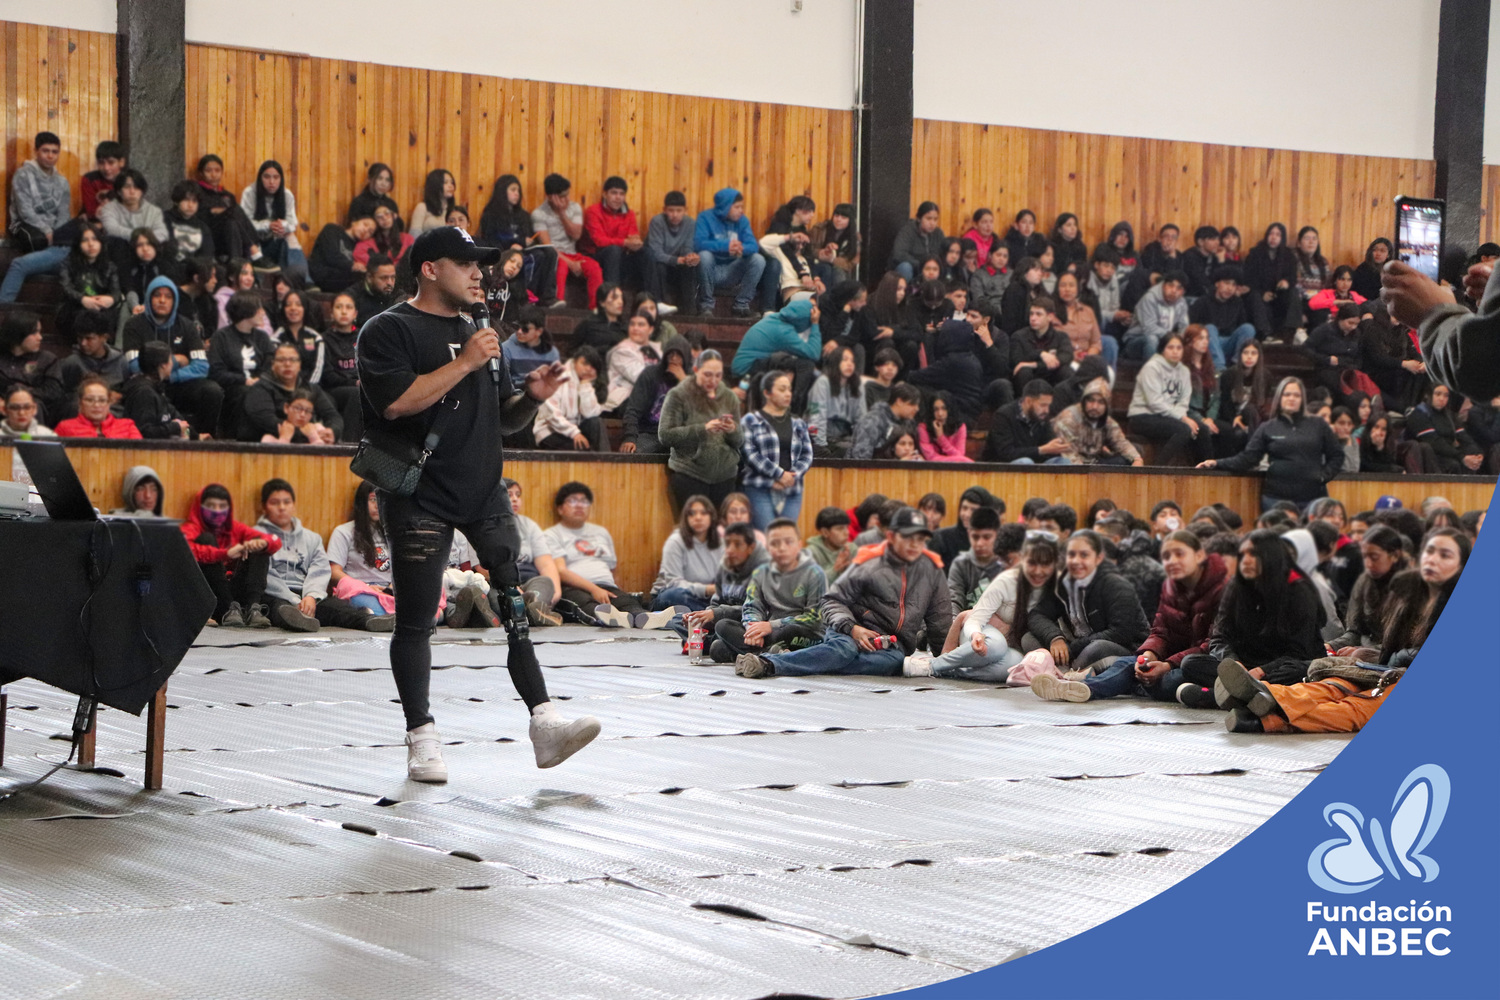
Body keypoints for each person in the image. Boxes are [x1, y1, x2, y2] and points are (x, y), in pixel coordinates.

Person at [354, 224, 597, 779]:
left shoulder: (480, 333)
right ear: (429, 269)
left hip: (483, 487)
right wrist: (464, 362)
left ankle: (544, 722)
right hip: (418, 491)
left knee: (515, 607)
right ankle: (421, 736)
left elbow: (501, 417)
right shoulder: (387, 329)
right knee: (416, 620)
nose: (478, 275)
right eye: (465, 264)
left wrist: (531, 399)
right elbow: (396, 404)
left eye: (479, 266)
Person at [1217, 529, 1468, 734]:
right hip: (1387, 669)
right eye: (1429, 551)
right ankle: (1265, 695)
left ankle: (1268, 719)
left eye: (1444, 555)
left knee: (1360, 705)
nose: (1432, 559)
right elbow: (1371, 639)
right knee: (1333, 685)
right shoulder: (1408, 593)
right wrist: (1370, 655)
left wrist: (1384, 658)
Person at [733, 507, 950, 679]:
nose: (914, 545)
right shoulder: (869, 564)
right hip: (848, 631)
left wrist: (947, 662)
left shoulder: (933, 573)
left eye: (920, 539)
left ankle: (806, 658)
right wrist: (853, 629)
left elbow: (940, 622)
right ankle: (768, 664)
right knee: (844, 650)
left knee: (892, 663)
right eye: (908, 538)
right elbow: (832, 601)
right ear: (892, 536)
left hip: (890, 644)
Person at [1033, 530, 1227, 706]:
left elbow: (1211, 644)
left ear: (1199, 555)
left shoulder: (1220, 591)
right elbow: (1160, 632)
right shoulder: (1171, 588)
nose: (1172, 561)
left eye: (1179, 554)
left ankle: (1127, 684)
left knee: (1170, 678)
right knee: (1128, 665)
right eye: (1167, 556)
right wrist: (1148, 656)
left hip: (1198, 664)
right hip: (1164, 658)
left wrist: (1167, 665)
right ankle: (1084, 688)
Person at [253, 479, 394, 633]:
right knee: (277, 607)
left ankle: (369, 621)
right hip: (277, 594)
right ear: (264, 507)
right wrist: (294, 600)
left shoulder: (311, 538)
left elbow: (319, 570)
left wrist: (311, 596)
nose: (282, 507)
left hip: (307, 593)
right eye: (275, 503)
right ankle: (297, 620)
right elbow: (265, 576)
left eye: (286, 502)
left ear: (293, 505)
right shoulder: (256, 537)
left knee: (337, 608)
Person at [913, 529, 1055, 682]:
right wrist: (975, 634)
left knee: (1014, 665)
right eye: (1032, 563)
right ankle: (931, 666)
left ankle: (950, 671)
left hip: (1011, 644)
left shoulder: (1053, 587)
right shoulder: (1006, 581)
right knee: (996, 644)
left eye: (1045, 564)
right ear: (1023, 560)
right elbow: (974, 619)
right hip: (981, 634)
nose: (1038, 571)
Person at [1200, 376, 1343, 508]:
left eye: (1296, 395)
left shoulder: (1318, 425)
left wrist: (1323, 476)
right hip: (1276, 500)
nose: (1291, 398)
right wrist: (1217, 463)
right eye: (1287, 394)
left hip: (1313, 500)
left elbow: (1337, 455)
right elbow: (1247, 459)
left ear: (1302, 399)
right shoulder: (1267, 427)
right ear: (1279, 398)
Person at [543, 480, 667, 629]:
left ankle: (648, 618)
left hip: (605, 585)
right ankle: (611, 619)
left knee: (627, 601)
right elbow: (561, 571)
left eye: (584, 501)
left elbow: (613, 570)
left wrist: (615, 590)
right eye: (573, 501)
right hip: (571, 588)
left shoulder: (600, 532)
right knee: (586, 605)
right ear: (560, 509)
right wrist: (594, 589)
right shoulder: (552, 534)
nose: (579, 505)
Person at [1025, 529, 1149, 678]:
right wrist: (1055, 638)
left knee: (1097, 647)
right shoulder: (1064, 584)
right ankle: (1066, 674)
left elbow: (1121, 633)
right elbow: (1037, 614)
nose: (1076, 561)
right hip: (1079, 648)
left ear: (1098, 558)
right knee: (1028, 638)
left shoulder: (1115, 584)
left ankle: (1062, 675)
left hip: (1121, 648)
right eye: (1072, 555)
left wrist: (1072, 648)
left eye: (1084, 555)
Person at [707, 518, 826, 662]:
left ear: (799, 545)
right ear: (768, 548)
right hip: (769, 633)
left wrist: (772, 626)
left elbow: (814, 618)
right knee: (722, 629)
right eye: (775, 543)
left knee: (789, 631)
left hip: (800, 633)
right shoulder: (761, 572)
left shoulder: (814, 573)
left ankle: (758, 653)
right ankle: (770, 653)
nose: (782, 548)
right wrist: (752, 629)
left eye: (788, 542)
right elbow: (752, 607)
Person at [120, 276, 221, 437]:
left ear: (175, 301)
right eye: (157, 295)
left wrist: (170, 374)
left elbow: (202, 366)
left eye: (168, 296)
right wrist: (177, 360)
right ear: (148, 298)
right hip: (147, 385)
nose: (162, 300)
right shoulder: (134, 324)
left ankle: (203, 438)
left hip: (178, 383)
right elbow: (134, 364)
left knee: (212, 391)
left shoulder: (187, 325)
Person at [658, 348, 743, 511]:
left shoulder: (729, 397)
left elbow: (739, 441)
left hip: (726, 475)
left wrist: (732, 430)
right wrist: (702, 429)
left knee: (720, 526)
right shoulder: (678, 395)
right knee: (695, 523)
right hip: (690, 473)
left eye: (718, 375)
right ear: (696, 370)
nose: (713, 380)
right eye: (708, 374)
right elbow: (665, 435)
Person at [183, 483, 279, 628]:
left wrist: (262, 543)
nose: (217, 511)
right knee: (206, 540)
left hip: (236, 595)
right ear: (200, 507)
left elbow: (275, 540)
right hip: (211, 595)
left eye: (222, 506)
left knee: (259, 543)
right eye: (211, 506)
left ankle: (253, 608)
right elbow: (186, 552)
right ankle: (227, 609)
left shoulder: (235, 528)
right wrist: (224, 554)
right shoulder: (189, 529)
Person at [0, 132, 72, 302]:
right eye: (45, 151)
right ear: (36, 151)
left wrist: (58, 234)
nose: (50, 156)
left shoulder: (62, 182)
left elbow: (64, 213)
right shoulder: (23, 175)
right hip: (24, 226)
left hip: (57, 239)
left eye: (55, 152)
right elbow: (24, 210)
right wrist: (47, 231)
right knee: (33, 246)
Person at [736, 369, 812, 529]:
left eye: (789, 389)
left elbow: (807, 455)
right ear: (767, 393)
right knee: (767, 536)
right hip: (759, 487)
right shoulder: (750, 420)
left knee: (786, 535)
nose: (788, 394)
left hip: (792, 489)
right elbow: (749, 453)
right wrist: (779, 474)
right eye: (782, 389)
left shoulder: (798, 423)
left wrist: (791, 476)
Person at [477, 174, 558, 309]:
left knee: (550, 252)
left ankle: (547, 297)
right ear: (503, 191)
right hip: (503, 251)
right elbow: (491, 238)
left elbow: (529, 237)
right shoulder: (491, 214)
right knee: (536, 256)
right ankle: (528, 295)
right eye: (513, 190)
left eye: (518, 191)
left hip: (522, 251)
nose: (517, 194)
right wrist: (514, 244)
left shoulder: (523, 216)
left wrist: (526, 242)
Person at [1127, 332, 1208, 466]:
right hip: (1143, 416)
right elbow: (1154, 402)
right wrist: (1182, 418)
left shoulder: (1184, 371)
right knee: (1183, 430)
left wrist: (1181, 416)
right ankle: (1158, 469)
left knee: (1202, 429)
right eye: (1170, 347)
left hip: (1169, 417)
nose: (1175, 351)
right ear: (1162, 350)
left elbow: (1184, 401)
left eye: (1179, 348)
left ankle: (1204, 470)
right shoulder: (1151, 368)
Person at [208, 291, 277, 436]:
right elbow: (216, 371)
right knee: (246, 393)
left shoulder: (262, 337)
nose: (263, 313)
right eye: (259, 309)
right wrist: (244, 380)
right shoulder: (221, 337)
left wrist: (260, 379)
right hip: (233, 388)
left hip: (262, 384)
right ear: (246, 311)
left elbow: (271, 365)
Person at [242, 344, 342, 443]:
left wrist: (332, 431)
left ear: (299, 365)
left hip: (309, 442)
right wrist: (309, 434)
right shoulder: (260, 389)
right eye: (281, 360)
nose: (287, 364)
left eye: (293, 360)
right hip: (267, 444)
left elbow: (333, 416)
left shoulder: (311, 388)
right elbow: (268, 422)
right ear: (273, 365)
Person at [532, 173, 603, 309]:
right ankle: (557, 304)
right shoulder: (539, 214)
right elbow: (548, 246)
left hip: (572, 253)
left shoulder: (574, 208)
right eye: (562, 196)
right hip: (555, 255)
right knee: (561, 266)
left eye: (567, 195)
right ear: (551, 197)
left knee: (594, 268)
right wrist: (570, 263)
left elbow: (576, 235)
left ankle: (595, 308)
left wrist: (562, 213)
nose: (567, 199)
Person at [649, 495, 723, 613]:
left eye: (703, 513)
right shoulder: (675, 541)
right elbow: (674, 583)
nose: (698, 517)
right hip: (671, 593)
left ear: (712, 517)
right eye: (692, 514)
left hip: (706, 598)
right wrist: (707, 589)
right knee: (674, 595)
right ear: (686, 518)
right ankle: (711, 614)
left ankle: (708, 614)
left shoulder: (720, 543)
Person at [531, 346, 606, 451]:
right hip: (550, 430)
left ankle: (602, 458)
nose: (588, 369)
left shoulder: (584, 381)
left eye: (592, 366)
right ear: (575, 361)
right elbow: (551, 414)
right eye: (584, 363)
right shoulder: (558, 376)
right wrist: (574, 433)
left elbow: (590, 414)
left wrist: (585, 387)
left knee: (595, 422)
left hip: (575, 428)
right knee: (583, 450)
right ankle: (597, 457)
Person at [1053, 376, 1141, 466]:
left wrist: (1136, 459)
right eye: (1091, 400)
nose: (1095, 406)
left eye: (1101, 402)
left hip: (1094, 463)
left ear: (1107, 406)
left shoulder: (1107, 421)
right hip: (1071, 465)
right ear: (1084, 401)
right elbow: (1068, 456)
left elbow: (1121, 443)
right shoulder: (1068, 418)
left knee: (1129, 457)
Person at [0, 311, 64, 425]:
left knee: (33, 406)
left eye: (40, 332)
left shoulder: (47, 359)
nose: (40, 337)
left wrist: (20, 395)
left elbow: (53, 392)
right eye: (34, 333)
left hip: (33, 405)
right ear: (19, 334)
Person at [1405, 383, 1484, 474]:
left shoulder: (1449, 415)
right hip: (1432, 454)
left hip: (1449, 452)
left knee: (1472, 452)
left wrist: (1478, 453)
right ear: (1428, 395)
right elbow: (1434, 442)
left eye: (1446, 396)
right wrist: (1461, 457)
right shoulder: (1419, 414)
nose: (1442, 398)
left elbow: (1463, 437)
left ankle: (1472, 482)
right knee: (1453, 464)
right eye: (1438, 394)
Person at [1188, 265, 1257, 369]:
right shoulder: (1203, 301)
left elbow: (1242, 327)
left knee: (1248, 328)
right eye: (1226, 283)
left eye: (1233, 285)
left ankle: (1238, 365)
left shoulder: (1237, 302)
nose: (1229, 288)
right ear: (1217, 284)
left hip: (1229, 342)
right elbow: (1190, 326)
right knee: (1209, 328)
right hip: (1208, 343)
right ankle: (1219, 368)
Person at [120, 341, 192, 439]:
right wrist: (175, 427)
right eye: (171, 359)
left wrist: (196, 436)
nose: (172, 363)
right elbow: (144, 432)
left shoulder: (157, 388)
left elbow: (177, 417)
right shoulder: (144, 393)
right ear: (163, 365)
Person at [985, 379, 1066, 464]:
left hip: (1036, 463)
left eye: (1048, 405)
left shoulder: (1042, 416)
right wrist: (1041, 450)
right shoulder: (1003, 415)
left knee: (1063, 462)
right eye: (1043, 405)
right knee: (1025, 462)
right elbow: (1006, 453)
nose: (1046, 410)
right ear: (1028, 401)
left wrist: (1060, 447)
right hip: (1002, 466)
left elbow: (1048, 447)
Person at [582, 176, 645, 287]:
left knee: (646, 252)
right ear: (605, 194)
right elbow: (599, 241)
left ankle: (652, 295)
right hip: (596, 255)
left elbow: (633, 236)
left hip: (621, 255)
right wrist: (625, 242)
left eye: (622, 194)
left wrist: (636, 243)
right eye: (614, 193)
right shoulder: (593, 211)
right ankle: (613, 294)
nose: (618, 197)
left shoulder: (629, 214)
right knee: (614, 250)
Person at [644, 190, 699, 312]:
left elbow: (688, 246)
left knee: (691, 266)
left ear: (685, 210)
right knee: (659, 266)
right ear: (664, 210)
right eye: (671, 210)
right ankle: (662, 305)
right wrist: (677, 260)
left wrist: (689, 257)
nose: (675, 214)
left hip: (678, 265)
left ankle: (690, 310)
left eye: (679, 211)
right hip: (660, 265)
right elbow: (655, 252)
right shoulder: (657, 221)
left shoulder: (691, 223)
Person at [805, 344, 865, 455]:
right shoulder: (823, 382)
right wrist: (820, 446)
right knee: (847, 450)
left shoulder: (856, 385)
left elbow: (861, 418)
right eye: (845, 360)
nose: (849, 364)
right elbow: (817, 418)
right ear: (835, 362)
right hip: (825, 436)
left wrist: (863, 443)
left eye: (852, 361)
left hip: (846, 435)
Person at [1243, 223, 1300, 339]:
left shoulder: (1288, 256)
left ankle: (1291, 331)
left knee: (1293, 292)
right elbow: (1248, 278)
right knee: (1254, 296)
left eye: (1278, 235)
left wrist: (1287, 282)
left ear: (1282, 238)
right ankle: (1265, 333)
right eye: (1271, 234)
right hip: (1260, 293)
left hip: (1279, 294)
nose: (1274, 237)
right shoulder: (1255, 254)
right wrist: (1262, 293)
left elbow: (1293, 276)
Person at [1009, 299, 1074, 391]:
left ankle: (1063, 399)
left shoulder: (1060, 336)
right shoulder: (1019, 336)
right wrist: (1040, 353)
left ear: (1050, 317)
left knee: (1066, 371)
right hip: (1029, 378)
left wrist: (1035, 364)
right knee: (1024, 371)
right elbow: (1017, 361)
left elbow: (1066, 356)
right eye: (1031, 314)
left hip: (1051, 377)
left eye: (1038, 314)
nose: (1033, 318)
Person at [1307, 303, 1366, 403]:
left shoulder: (1357, 333)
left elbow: (1359, 354)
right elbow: (1306, 348)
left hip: (1349, 369)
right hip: (1327, 369)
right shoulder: (1324, 330)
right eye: (1350, 323)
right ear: (1340, 319)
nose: (1353, 327)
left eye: (1356, 324)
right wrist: (1325, 359)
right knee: (1336, 384)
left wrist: (1356, 367)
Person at [603, 311, 661, 412]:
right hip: (623, 401)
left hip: (651, 397)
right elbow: (642, 378)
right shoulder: (621, 351)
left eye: (641, 325)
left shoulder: (657, 350)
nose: (635, 328)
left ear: (651, 329)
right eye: (632, 324)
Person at [1123, 270, 1188, 359]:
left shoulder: (1181, 302)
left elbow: (1184, 326)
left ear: (1183, 292)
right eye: (1170, 285)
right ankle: (1151, 367)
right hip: (1136, 340)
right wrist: (1172, 337)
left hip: (1164, 340)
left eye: (1178, 288)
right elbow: (1149, 328)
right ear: (1163, 285)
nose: (1173, 291)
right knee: (1152, 339)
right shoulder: (1150, 298)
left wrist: (1180, 336)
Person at [848, 382, 920, 460]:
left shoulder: (909, 422)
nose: (917, 409)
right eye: (912, 404)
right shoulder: (872, 421)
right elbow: (860, 458)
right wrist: (898, 464)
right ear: (899, 401)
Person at [53, 376, 142, 439]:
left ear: (109, 403)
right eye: (90, 400)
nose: (96, 405)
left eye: (102, 400)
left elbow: (140, 454)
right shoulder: (64, 428)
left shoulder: (127, 426)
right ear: (80, 403)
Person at [309, 212, 376, 292]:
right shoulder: (332, 230)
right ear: (353, 222)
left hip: (343, 278)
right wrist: (352, 265)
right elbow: (331, 255)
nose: (366, 230)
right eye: (365, 224)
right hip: (323, 273)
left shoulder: (360, 247)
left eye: (370, 232)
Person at [890, 202, 946, 282]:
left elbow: (944, 253)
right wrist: (921, 265)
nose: (932, 223)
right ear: (919, 218)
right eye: (928, 218)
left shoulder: (938, 233)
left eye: (935, 219)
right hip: (913, 268)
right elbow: (899, 254)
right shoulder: (908, 231)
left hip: (930, 269)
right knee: (905, 267)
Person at [163, 180, 214, 264]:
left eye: (194, 201)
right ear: (177, 201)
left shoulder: (203, 227)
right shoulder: (164, 219)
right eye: (186, 200)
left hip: (194, 268)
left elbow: (207, 256)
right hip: (170, 265)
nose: (190, 205)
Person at [810, 203, 859, 284]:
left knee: (838, 272)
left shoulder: (855, 238)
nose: (838, 219)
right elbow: (807, 250)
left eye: (843, 217)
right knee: (826, 269)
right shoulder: (819, 229)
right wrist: (820, 253)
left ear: (850, 221)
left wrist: (832, 259)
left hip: (839, 268)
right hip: (817, 264)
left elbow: (851, 263)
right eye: (836, 216)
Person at [805, 507, 856, 584]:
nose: (847, 533)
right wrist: (835, 570)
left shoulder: (852, 548)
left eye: (847, 527)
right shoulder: (811, 553)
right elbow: (810, 584)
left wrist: (850, 569)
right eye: (840, 529)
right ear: (825, 532)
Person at [915, 391, 969, 462]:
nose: (940, 414)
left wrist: (941, 438)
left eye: (944, 408)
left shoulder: (960, 426)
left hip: (955, 467)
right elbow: (931, 458)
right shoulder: (923, 427)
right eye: (936, 409)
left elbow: (960, 455)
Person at [350, 253, 400, 331]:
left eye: (393, 277)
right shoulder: (354, 297)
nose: (390, 283)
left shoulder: (398, 294)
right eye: (384, 278)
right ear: (369, 277)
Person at [407, 169, 456, 235]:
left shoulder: (454, 210)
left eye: (452, 182)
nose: (451, 186)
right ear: (435, 185)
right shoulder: (422, 207)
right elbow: (414, 234)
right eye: (445, 182)